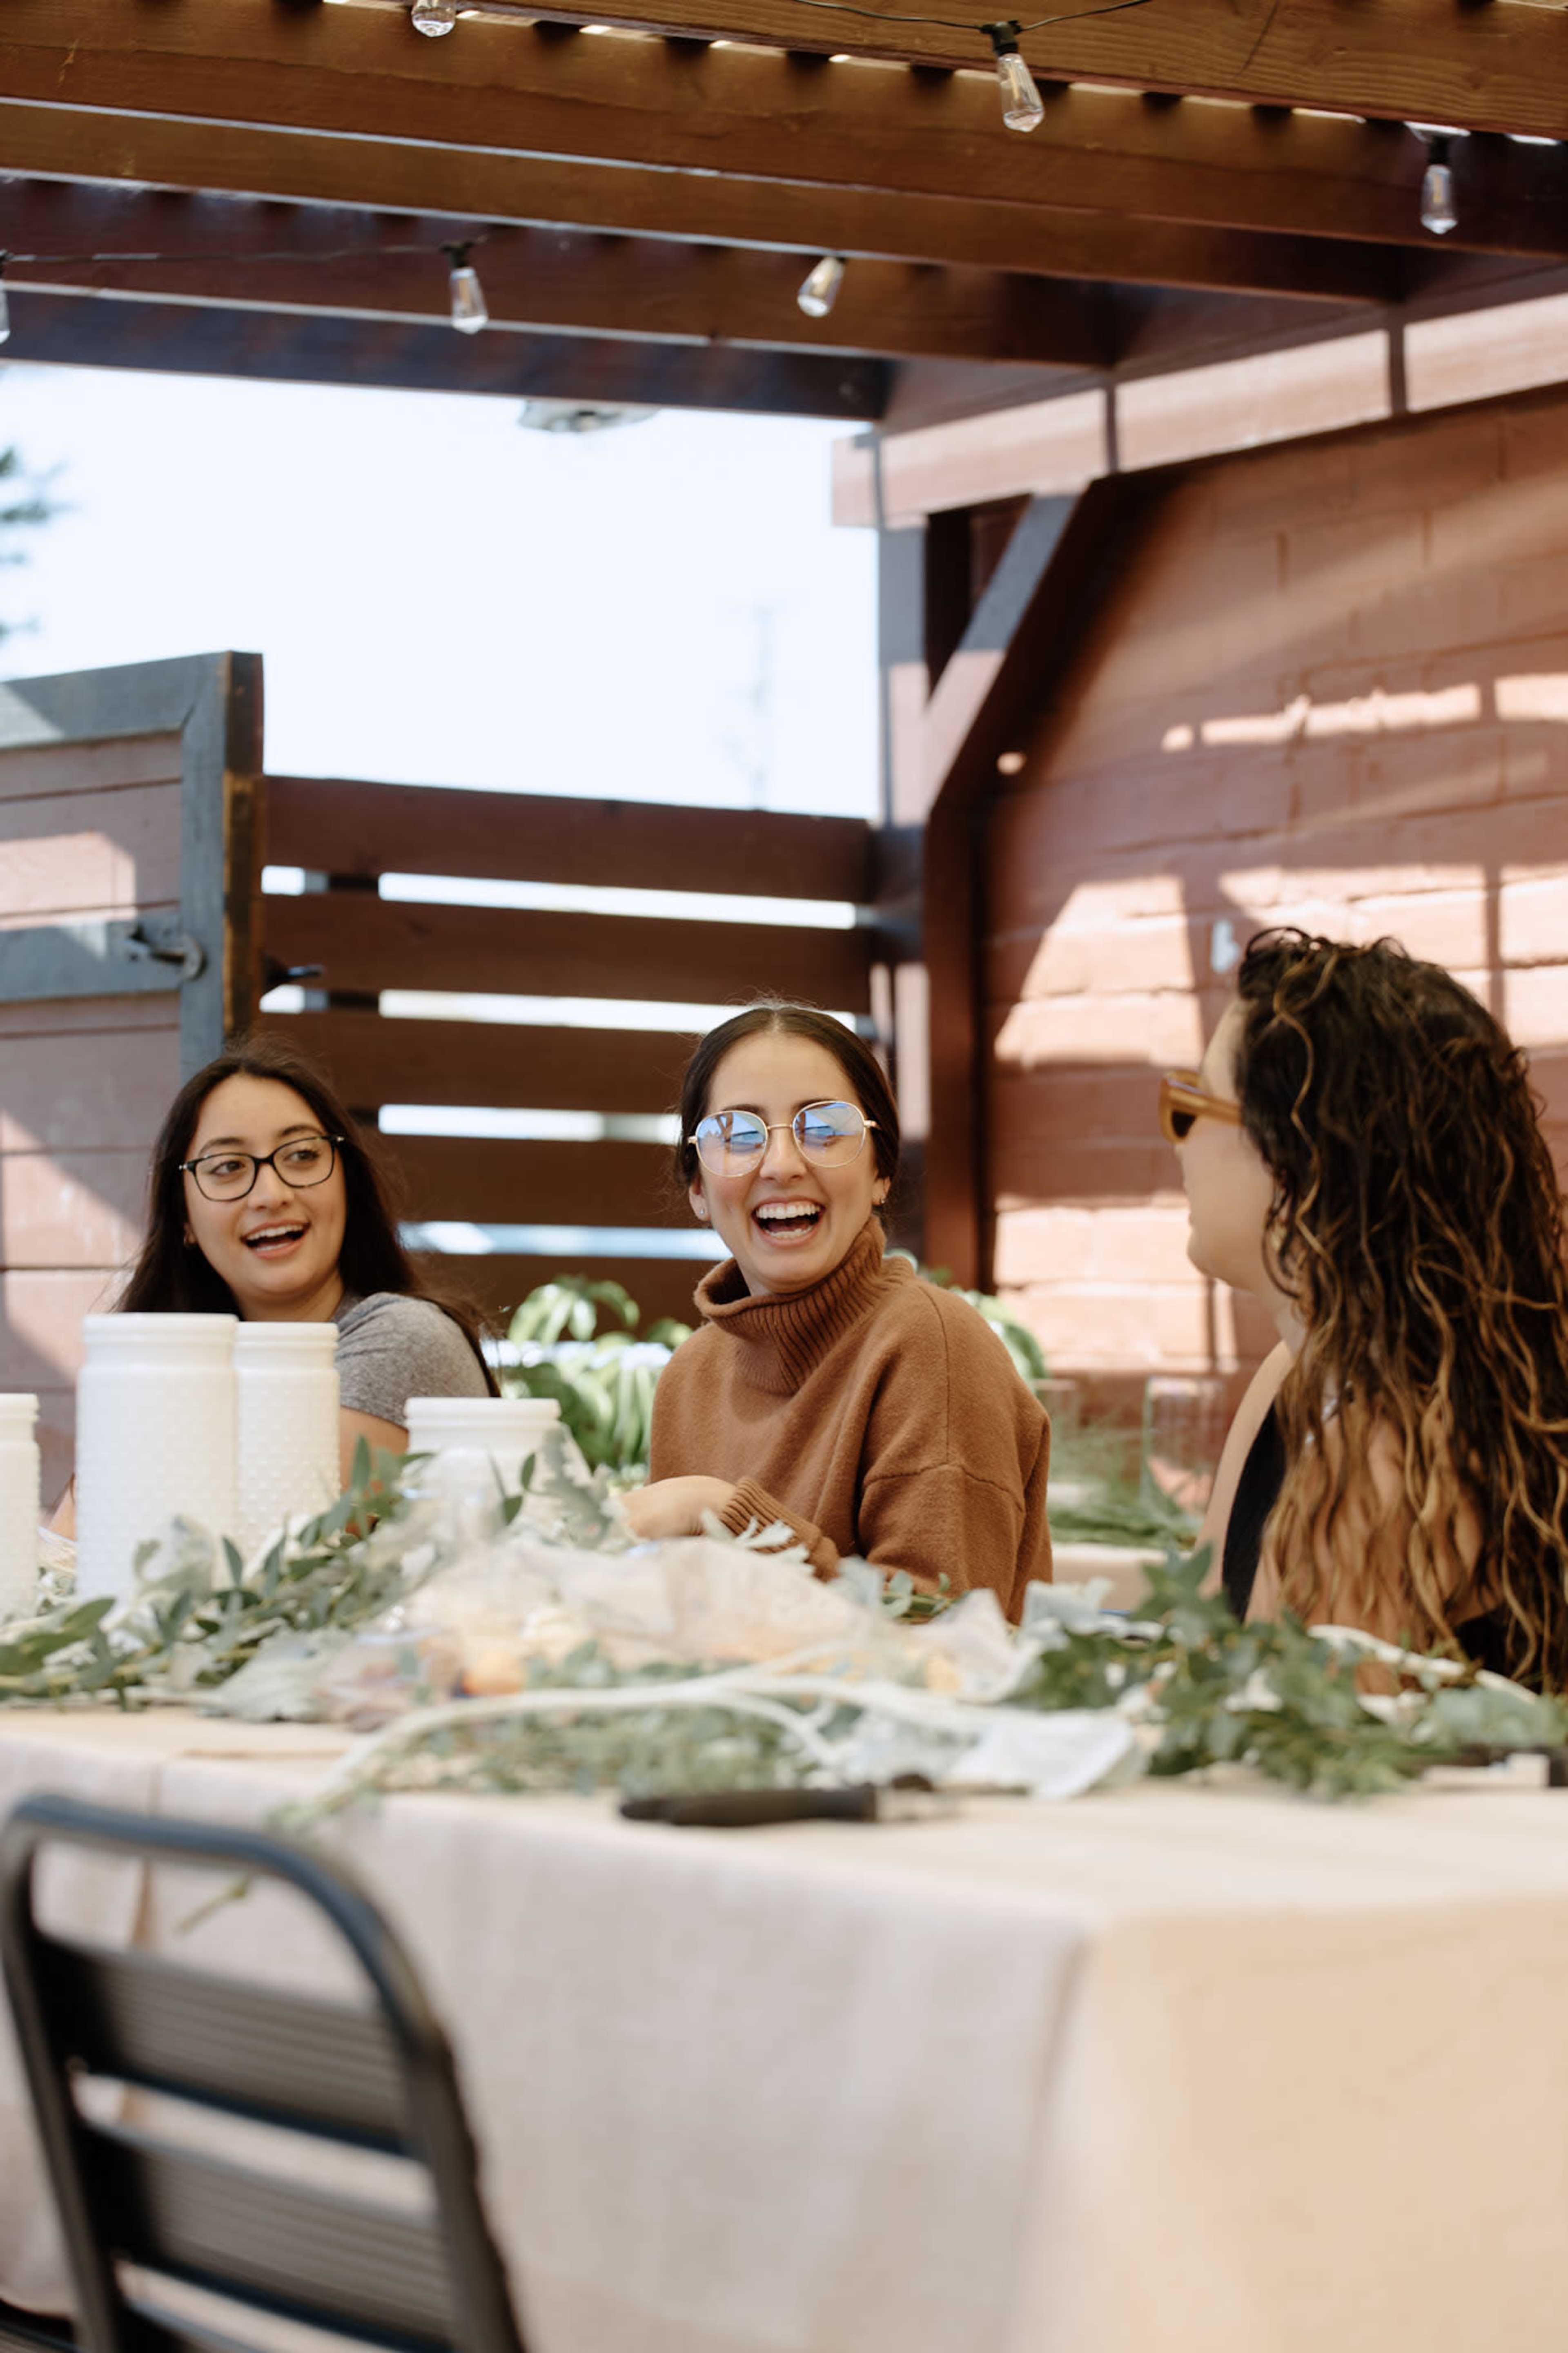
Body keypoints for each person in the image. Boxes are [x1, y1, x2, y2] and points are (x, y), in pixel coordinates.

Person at [1169, 928, 1568, 1689]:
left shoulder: (1400, 1445)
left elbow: (1284, 1740)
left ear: (1297, 1167)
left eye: (1195, 1107)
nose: (1180, 1144)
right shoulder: (1292, 1375)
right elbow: (1202, 1661)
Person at [620, 1003, 1052, 1619]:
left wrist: (722, 1513)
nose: (782, 1164)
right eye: (738, 1134)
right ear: (698, 1187)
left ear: (881, 1170)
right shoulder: (691, 1374)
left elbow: (943, 1639)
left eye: (823, 1128)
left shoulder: (933, 1347)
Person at [52, 1037, 493, 1526]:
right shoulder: (168, 1370)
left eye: (302, 1155)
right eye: (228, 1168)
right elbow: (71, 1559)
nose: (271, 1193)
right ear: (186, 1221)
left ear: (346, 1180)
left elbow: (258, 1554)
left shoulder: (407, 1340)